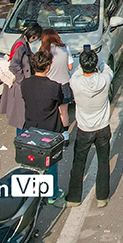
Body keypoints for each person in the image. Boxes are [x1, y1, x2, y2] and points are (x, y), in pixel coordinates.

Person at [66, 46, 114, 208]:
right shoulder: (105, 80)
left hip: (84, 128)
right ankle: (102, 197)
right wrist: (97, 59)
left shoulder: (75, 82)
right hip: (102, 127)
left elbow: (76, 72)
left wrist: (84, 59)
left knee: (78, 163)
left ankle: (73, 198)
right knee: (103, 162)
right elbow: (107, 68)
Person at [21, 50, 65, 203]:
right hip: (50, 129)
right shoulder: (54, 87)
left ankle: (33, 191)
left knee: (32, 161)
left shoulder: (25, 84)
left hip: (31, 126)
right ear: (47, 67)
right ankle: (51, 193)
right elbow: (60, 100)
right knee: (50, 162)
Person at [0, 23, 42, 134]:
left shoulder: (22, 42)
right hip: (20, 85)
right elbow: (14, 65)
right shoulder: (21, 45)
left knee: (22, 115)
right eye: (36, 37)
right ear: (33, 35)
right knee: (21, 116)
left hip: (22, 83)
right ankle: (21, 141)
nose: (36, 39)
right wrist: (22, 80)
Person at [40, 29, 72, 135]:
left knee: (51, 112)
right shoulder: (65, 47)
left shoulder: (42, 51)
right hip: (64, 84)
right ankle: (65, 136)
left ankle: (52, 134)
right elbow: (70, 67)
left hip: (48, 85)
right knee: (64, 112)